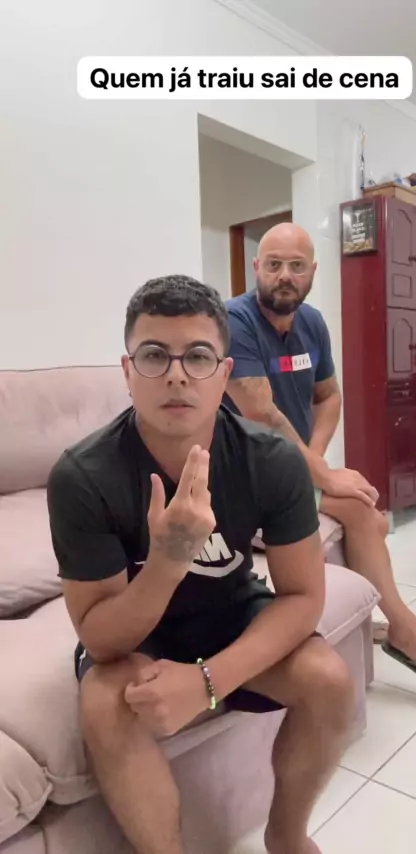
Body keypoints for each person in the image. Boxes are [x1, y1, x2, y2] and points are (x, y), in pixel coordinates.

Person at [47, 274, 354, 854]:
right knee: (105, 704)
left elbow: (303, 597)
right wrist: (168, 560)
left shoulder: (273, 460)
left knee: (330, 680)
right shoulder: (83, 476)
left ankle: (286, 836)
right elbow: (100, 636)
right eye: (154, 355)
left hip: (230, 612)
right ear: (127, 371)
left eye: (197, 356)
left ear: (224, 373)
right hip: (140, 635)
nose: (177, 375)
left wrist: (208, 682)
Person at [225, 223, 416, 691]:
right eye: (274, 264)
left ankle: (380, 618)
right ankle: (403, 627)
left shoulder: (312, 323)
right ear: (256, 267)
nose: (284, 275)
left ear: (313, 271)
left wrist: (313, 462)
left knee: (373, 520)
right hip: (243, 475)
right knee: (361, 511)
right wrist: (321, 475)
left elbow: (328, 396)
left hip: (287, 469)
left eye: (297, 266)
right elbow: (262, 415)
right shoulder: (235, 321)